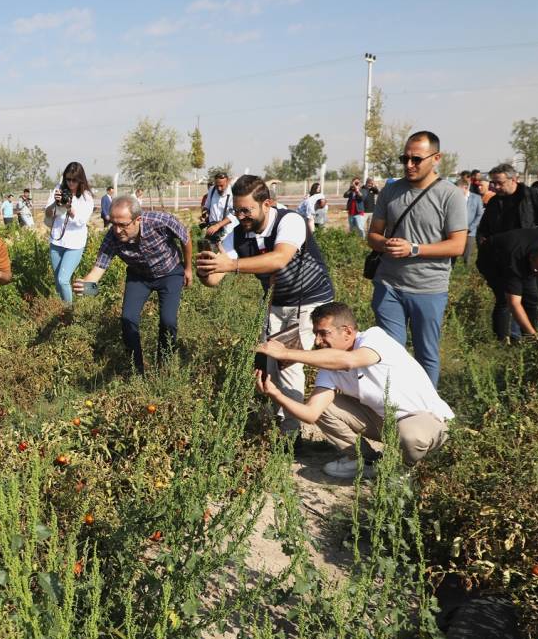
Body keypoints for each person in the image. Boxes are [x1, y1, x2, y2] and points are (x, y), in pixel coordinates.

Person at [196, 175, 334, 442]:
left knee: (289, 363)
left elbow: (280, 258)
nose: (241, 216)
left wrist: (231, 265)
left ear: (267, 204)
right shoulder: (239, 233)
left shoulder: (289, 221)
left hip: (309, 303)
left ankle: (292, 436)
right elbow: (214, 279)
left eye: (247, 210)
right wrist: (206, 268)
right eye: (236, 210)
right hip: (276, 302)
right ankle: (276, 420)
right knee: (269, 364)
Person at [255, 302, 453, 480]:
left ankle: (406, 470)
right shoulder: (329, 365)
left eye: (324, 333)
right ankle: (367, 461)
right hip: (386, 423)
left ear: (348, 332)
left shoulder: (375, 338)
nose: (317, 341)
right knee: (326, 408)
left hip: (427, 421)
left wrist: (286, 353)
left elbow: (349, 361)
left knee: (411, 437)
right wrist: (276, 394)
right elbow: (311, 414)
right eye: (316, 333)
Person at [367, 130, 467, 387]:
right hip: (388, 285)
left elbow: (457, 245)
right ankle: (393, 410)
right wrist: (385, 244)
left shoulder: (450, 195)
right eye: (405, 158)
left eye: (416, 159)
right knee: (390, 352)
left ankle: (428, 411)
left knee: (426, 354)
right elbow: (374, 235)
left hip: (428, 288)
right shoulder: (391, 191)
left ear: (436, 158)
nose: (409, 165)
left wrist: (413, 249)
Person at [72, 196, 192, 375]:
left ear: (138, 219)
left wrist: (188, 268)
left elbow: (185, 238)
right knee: (128, 319)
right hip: (139, 277)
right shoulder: (111, 238)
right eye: (113, 223)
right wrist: (86, 287)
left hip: (170, 272)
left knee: (168, 321)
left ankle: (164, 365)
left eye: (123, 225)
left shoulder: (161, 221)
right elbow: (97, 271)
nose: (117, 230)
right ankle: (137, 370)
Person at [476, 227, 538, 341]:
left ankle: (528, 340)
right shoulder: (514, 260)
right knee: (504, 300)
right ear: (531, 258)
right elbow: (514, 303)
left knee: (532, 299)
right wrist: (534, 336)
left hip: (522, 254)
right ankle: (502, 342)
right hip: (492, 260)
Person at [45, 162, 95, 303]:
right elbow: (48, 214)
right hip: (56, 241)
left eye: (74, 180)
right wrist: (55, 203)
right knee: (58, 281)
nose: (70, 183)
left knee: (63, 279)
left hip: (75, 244)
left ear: (80, 180)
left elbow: (81, 221)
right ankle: (63, 308)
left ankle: (69, 313)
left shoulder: (86, 197)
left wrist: (69, 207)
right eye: (68, 179)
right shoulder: (58, 190)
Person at [477, 163, 538, 243]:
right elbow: (484, 227)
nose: (496, 187)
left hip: (528, 250)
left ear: (513, 180)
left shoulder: (533, 196)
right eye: (494, 183)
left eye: (500, 183)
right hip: (500, 250)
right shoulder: (494, 201)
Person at [456, 178, 485, 266]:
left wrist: (471, 227)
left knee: (467, 253)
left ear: (465, 188)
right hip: (456, 229)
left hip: (470, 231)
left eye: (458, 189)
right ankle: (452, 268)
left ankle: (466, 269)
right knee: (454, 251)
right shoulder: (455, 198)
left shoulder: (476, 198)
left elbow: (479, 214)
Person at [201, 170, 235, 240]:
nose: (219, 188)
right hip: (212, 230)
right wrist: (205, 213)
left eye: (221, 186)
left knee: (223, 251)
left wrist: (218, 225)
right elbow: (207, 206)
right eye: (217, 186)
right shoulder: (212, 189)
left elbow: (233, 215)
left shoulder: (233, 193)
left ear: (227, 182)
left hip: (227, 233)